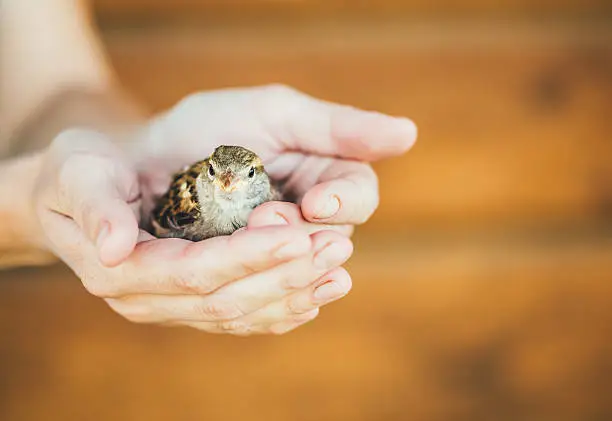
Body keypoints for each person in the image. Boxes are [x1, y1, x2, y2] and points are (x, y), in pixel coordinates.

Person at [0, 0, 417, 335]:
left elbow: (50, 95)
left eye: (245, 175)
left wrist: (129, 148)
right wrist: (30, 203)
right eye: (219, 175)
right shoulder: (191, 200)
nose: (230, 183)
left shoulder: (270, 197)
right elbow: (165, 215)